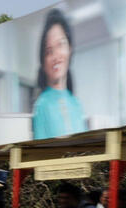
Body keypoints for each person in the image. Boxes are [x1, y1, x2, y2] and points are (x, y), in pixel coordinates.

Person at [32, 8, 87, 140]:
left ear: (70, 48)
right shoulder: (42, 105)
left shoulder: (76, 103)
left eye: (60, 44)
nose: (56, 56)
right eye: (49, 51)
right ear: (43, 63)